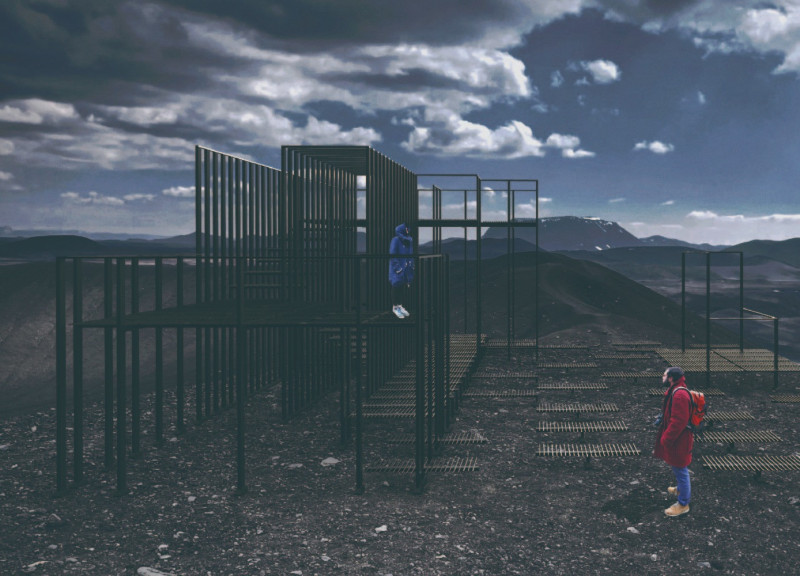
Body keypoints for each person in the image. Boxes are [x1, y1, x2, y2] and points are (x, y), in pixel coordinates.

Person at [653, 366, 693, 517]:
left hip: (679, 440)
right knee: (678, 467)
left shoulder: (679, 395)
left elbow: (679, 421)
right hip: (678, 439)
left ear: (670, 378)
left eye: (664, 375)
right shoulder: (676, 390)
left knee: (681, 469)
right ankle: (681, 489)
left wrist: (666, 438)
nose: (662, 377)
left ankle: (683, 503)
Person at [388, 223, 414, 319]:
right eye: (406, 229)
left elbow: (410, 254)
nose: (408, 230)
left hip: (405, 267)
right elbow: (393, 255)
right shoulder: (396, 240)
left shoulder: (408, 240)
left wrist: (411, 265)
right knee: (396, 286)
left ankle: (399, 305)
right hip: (398, 268)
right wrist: (398, 268)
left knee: (401, 285)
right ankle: (395, 307)